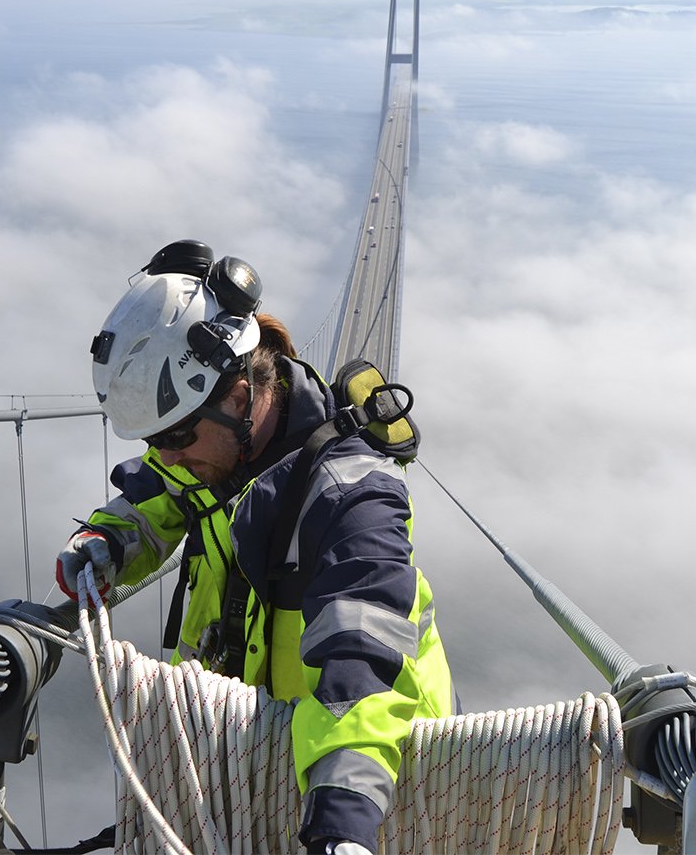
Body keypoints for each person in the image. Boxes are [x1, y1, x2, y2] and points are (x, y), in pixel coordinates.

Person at [55, 239, 457, 854]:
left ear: (239, 397)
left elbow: (360, 664)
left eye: (176, 434)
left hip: (380, 780)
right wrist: (110, 537)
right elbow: (163, 491)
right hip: (245, 766)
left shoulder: (353, 500)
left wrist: (343, 827)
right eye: (154, 439)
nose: (164, 455)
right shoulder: (213, 449)